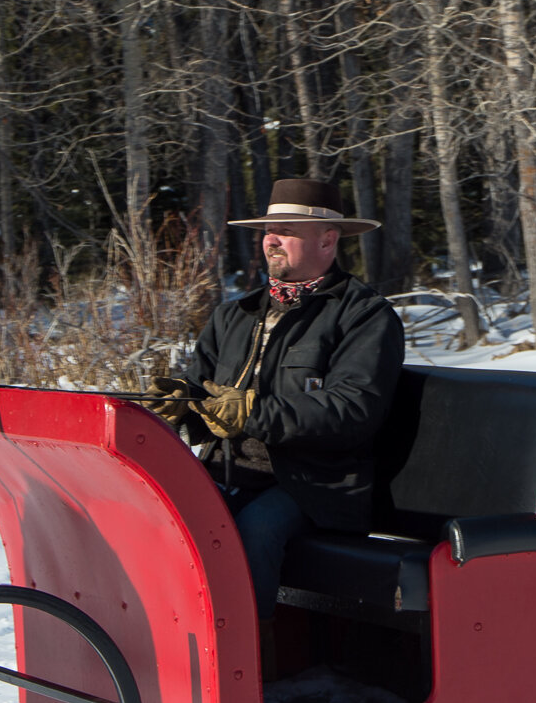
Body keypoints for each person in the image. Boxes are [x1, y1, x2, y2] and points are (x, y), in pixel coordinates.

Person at [146, 179, 404, 618]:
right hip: (226, 468)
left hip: (315, 484)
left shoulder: (365, 316)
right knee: (156, 518)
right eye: (267, 230)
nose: (270, 240)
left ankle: (250, 670)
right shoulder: (234, 315)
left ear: (327, 239)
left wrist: (251, 412)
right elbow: (202, 389)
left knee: (251, 531)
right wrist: (178, 404)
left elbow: (351, 411)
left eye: (285, 230)